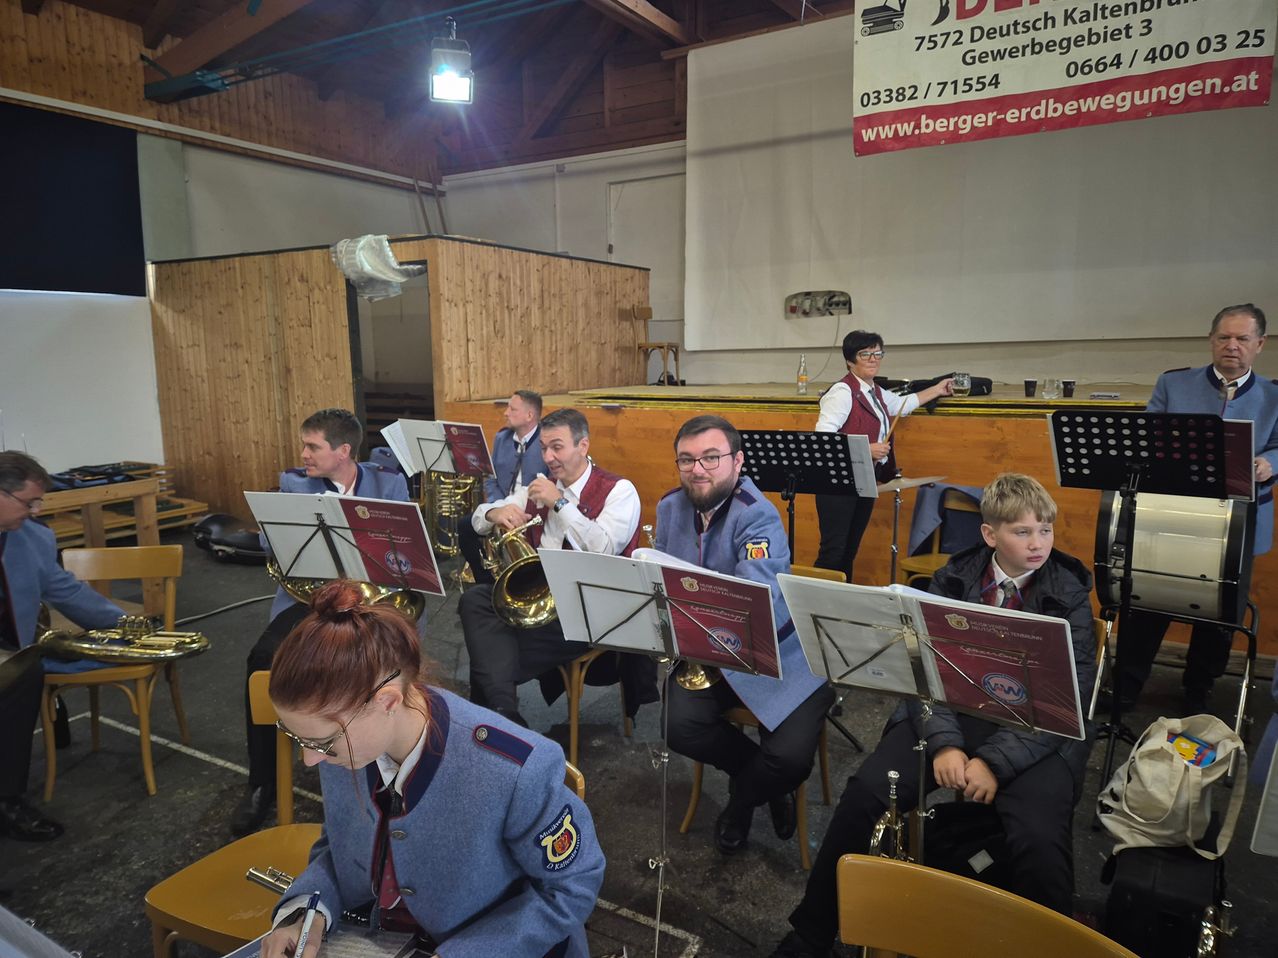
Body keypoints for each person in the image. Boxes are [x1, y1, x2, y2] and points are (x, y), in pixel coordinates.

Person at [770, 473, 1096, 957]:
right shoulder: (953, 578)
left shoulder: (1068, 593)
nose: (1038, 543)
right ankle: (812, 932)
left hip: (1034, 731)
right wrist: (945, 743)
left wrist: (994, 763)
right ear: (990, 534)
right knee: (864, 795)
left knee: (1041, 839)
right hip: (949, 714)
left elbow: (1068, 698)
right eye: (1022, 531)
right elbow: (920, 672)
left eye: (1045, 530)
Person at [261, 581, 605, 958]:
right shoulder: (343, 742)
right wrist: (306, 914)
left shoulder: (513, 769)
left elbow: (570, 887)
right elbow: (341, 842)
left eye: (322, 742)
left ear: (387, 701)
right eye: (298, 738)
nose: (310, 759)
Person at [657, 415, 835, 855]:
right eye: (686, 460)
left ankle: (740, 803)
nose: (698, 469)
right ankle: (759, 781)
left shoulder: (757, 513)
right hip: (706, 651)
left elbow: (759, 598)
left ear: (737, 462)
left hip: (778, 651)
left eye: (711, 458)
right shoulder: (669, 508)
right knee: (676, 727)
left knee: (790, 758)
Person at [231, 408, 411, 837]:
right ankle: (262, 781)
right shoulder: (295, 484)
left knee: (391, 668)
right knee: (262, 660)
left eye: (312, 446)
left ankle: (392, 767)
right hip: (308, 600)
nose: (304, 454)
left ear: (343, 451)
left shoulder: (389, 483)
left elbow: (405, 552)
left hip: (373, 601)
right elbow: (268, 544)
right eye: (304, 446)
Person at [1117, 303, 1278, 714]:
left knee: (1220, 612)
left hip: (1239, 522)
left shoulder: (1275, 395)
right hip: (1172, 516)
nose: (1232, 346)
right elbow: (1146, 437)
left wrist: (1269, 463)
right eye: (1224, 337)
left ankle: (1198, 691)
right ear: (1211, 340)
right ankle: (1126, 688)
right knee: (1149, 599)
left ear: (1259, 344)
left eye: (1242, 338)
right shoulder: (1174, 384)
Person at [458, 408, 652, 727]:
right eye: (544, 448)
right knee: (475, 599)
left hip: (591, 611)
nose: (548, 457)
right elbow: (480, 516)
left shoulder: (619, 490)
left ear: (583, 446)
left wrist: (560, 504)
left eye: (557, 447)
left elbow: (603, 548)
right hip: (541, 607)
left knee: (489, 649)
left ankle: (498, 718)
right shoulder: (540, 487)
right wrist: (496, 514)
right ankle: (504, 713)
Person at [0, 451, 125, 842]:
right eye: (29, 502)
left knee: (26, 675)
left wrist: (124, 623)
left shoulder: (34, 537)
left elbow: (66, 591)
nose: (35, 511)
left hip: (10, 653)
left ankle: (7, 801)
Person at [813, 330, 953, 582]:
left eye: (877, 354)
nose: (873, 359)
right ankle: (813, 599)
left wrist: (937, 389)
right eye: (865, 354)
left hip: (864, 479)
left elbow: (902, 404)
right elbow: (823, 438)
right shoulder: (842, 392)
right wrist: (866, 449)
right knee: (833, 552)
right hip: (837, 483)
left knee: (849, 551)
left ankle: (841, 598)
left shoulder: (874, 391)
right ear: (850, 360)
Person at [458, 390, 549, 586]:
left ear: (529, 415)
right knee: (464, 526)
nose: (506, 413)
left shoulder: (546, 442)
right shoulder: (502, 438)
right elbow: (491, 477)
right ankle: (486, 583)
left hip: (530, 511)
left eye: (512, 409)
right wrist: (497, 506)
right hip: (502, 505)